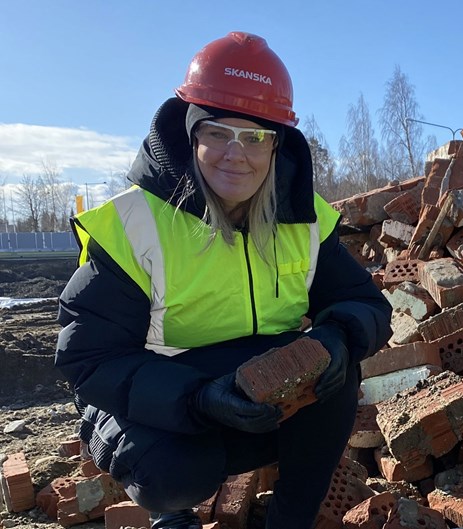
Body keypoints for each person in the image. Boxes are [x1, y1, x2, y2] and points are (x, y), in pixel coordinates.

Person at [55, 32, 393, 529]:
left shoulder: (303, 219)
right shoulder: (135, 224)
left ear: (277, 146)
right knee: (175, 473)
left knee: (335, 379)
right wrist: (197, 399)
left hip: (246, 392)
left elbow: (364, 304)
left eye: (254, 136)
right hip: (157, 398)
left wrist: (338, 338)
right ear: (192, 134)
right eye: (218, 132)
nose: (236, 153)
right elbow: (90, 359)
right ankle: (171, 516)